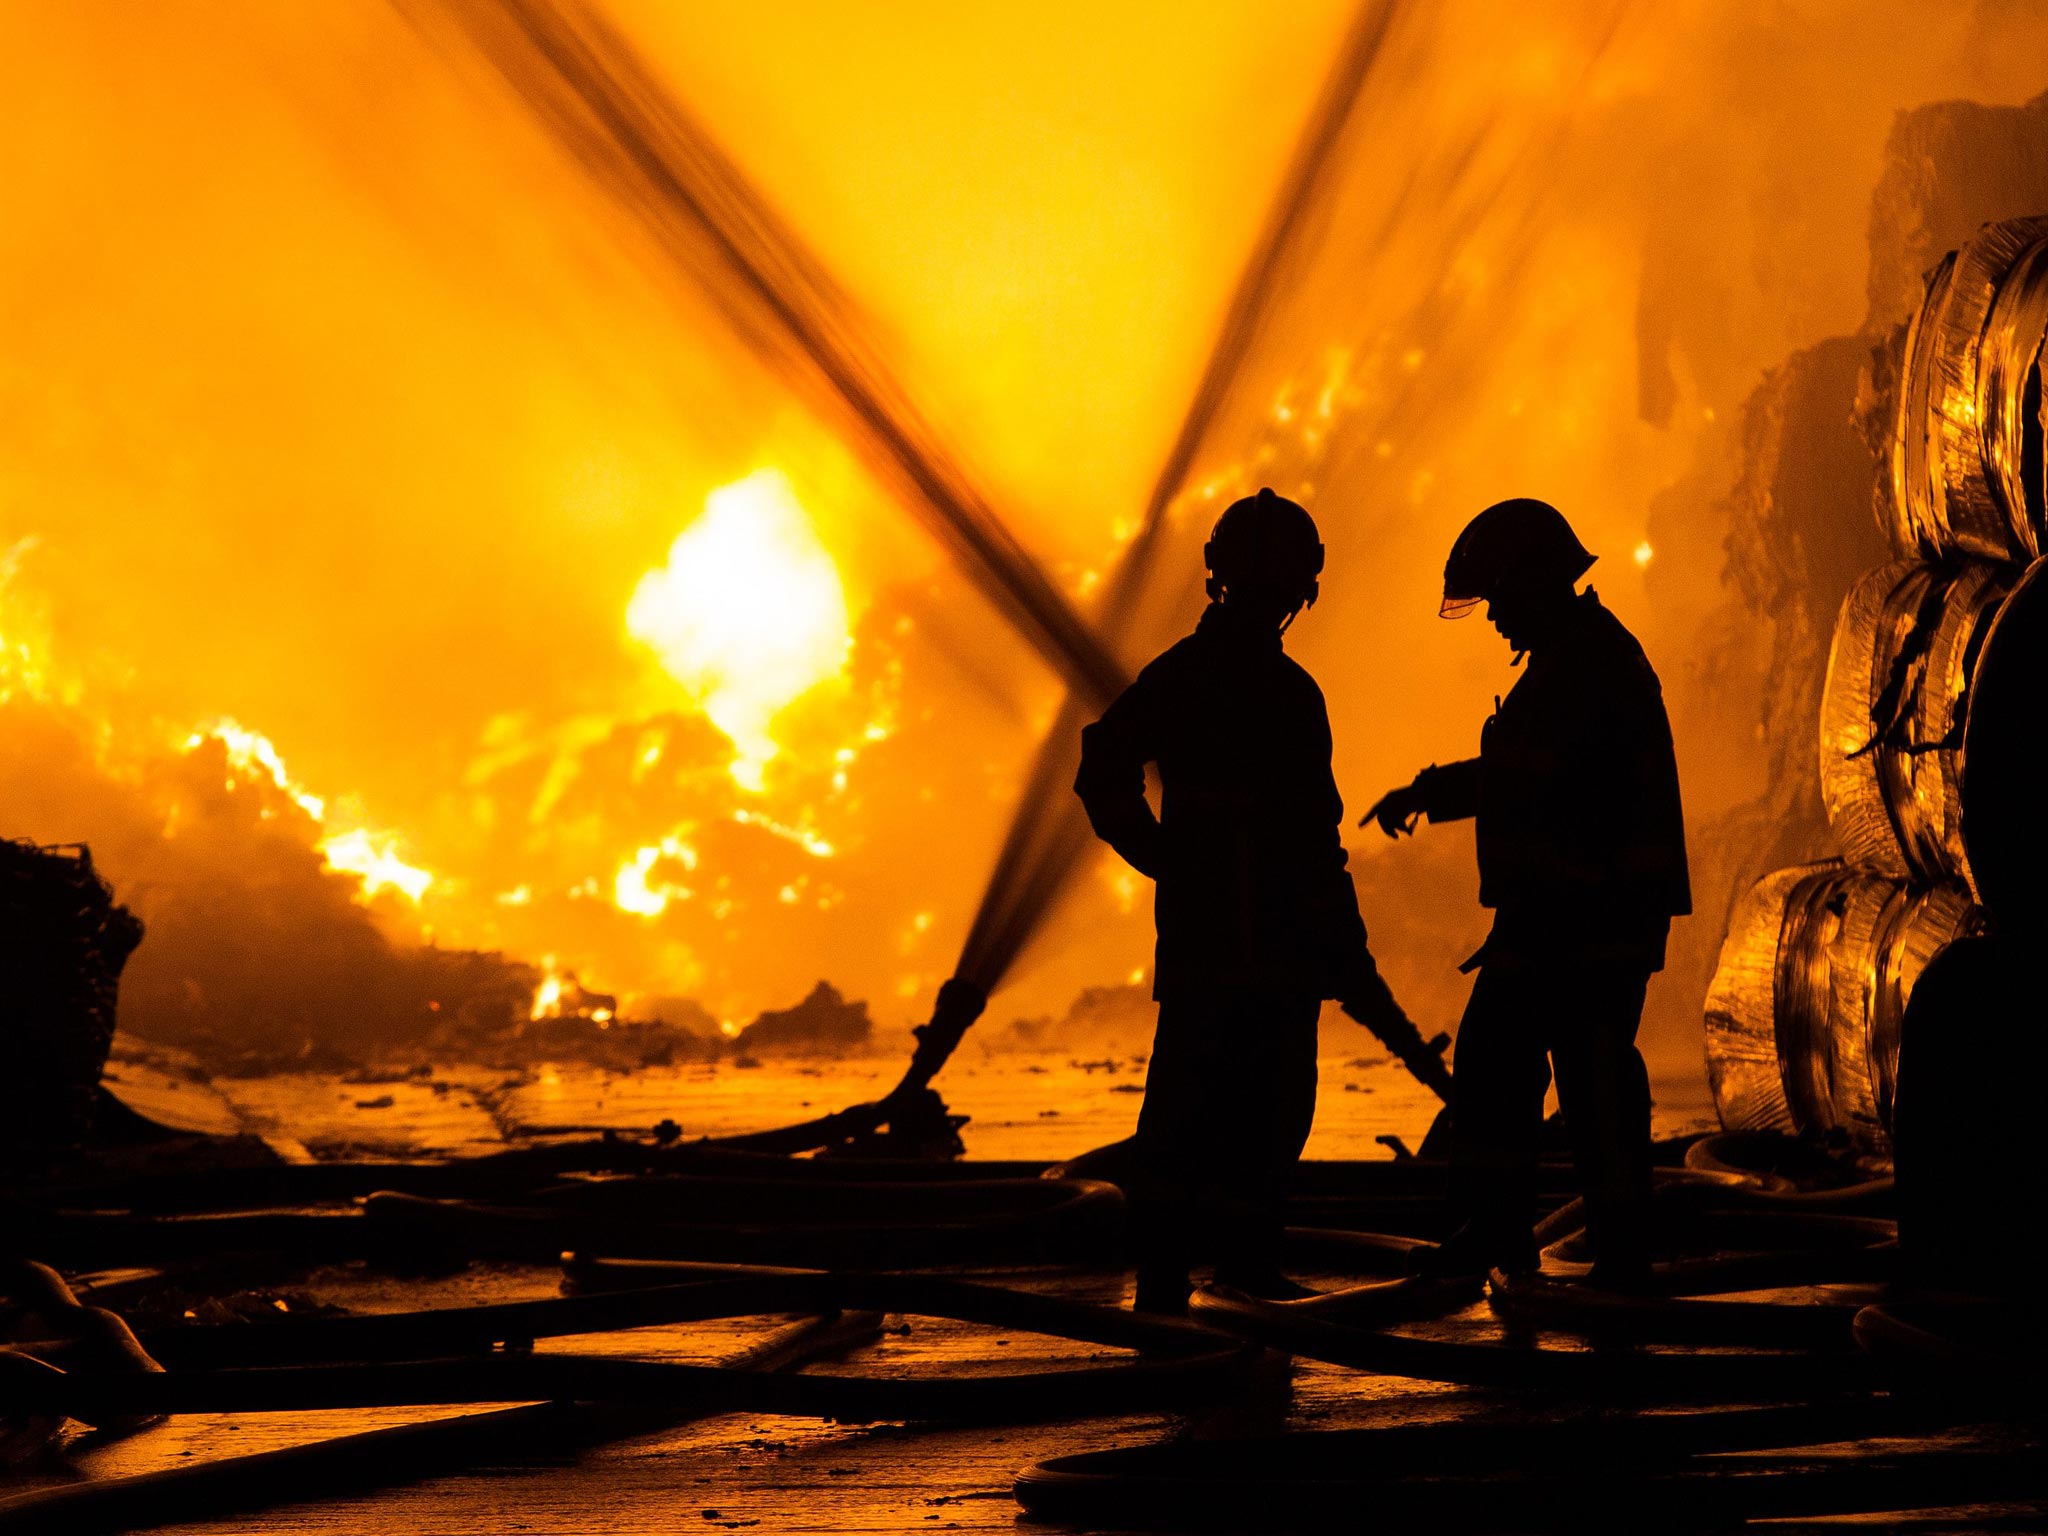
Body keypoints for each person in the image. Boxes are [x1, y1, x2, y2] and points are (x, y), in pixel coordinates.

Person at [1075, 487, 1423, 1314]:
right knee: (1199, 1115)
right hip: (1228, 947)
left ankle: (1237, 1267)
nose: (1274, 603)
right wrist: (1163, 857)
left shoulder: (1262, 689)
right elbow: (1105, 768)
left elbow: (1314, 836)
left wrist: (1165, 858)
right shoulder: (1222, 683)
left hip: (1260, 946)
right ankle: (1180, 1279)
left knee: (1263, 1111)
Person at [1362, 498, 1689, 1286]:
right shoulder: (1577, 658)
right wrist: (1432, 792)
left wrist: (1430, 792)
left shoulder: (1585, 667)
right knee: (1527, 1067)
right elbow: (1528, 777)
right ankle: (1528, 1236)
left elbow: (1536, 778)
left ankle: (1577, 1246)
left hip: (1584, 920)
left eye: (1500, 601)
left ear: (1535, 582)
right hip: (1565, 917)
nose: (1495, 622)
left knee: (1574, 1076)